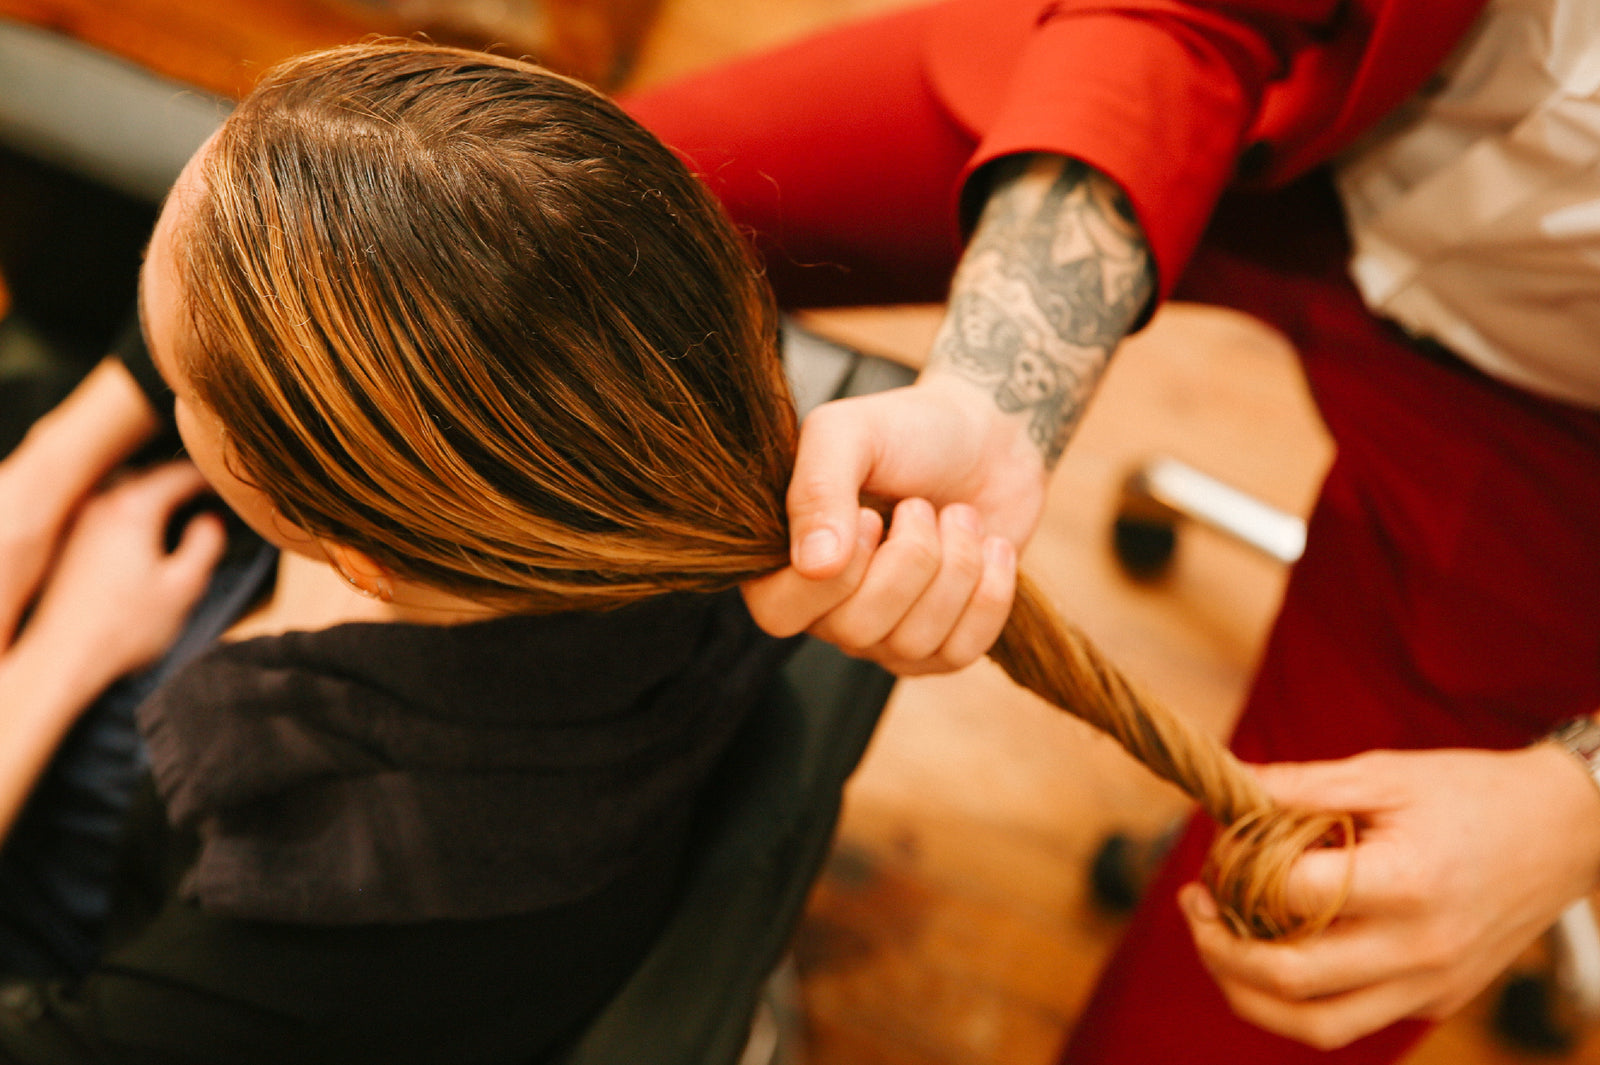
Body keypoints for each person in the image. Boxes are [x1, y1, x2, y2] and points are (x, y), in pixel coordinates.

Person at [617, 0, 1600, 1061]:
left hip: (1562, 469)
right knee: (588, 227)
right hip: (1289, 91)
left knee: (1283, 983)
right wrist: (989, 402)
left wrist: (1573, 810)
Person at [0, 40, 804, 1062]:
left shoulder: (307, 925)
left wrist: (50, 665)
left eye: (180, 380)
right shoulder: (659, 402)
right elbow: (207, 276)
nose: (155, 369)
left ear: (357, 553)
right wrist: (42, 476)